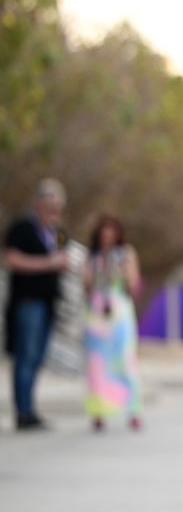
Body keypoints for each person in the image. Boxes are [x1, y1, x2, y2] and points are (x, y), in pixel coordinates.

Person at [4, 178, 69, 431]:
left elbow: (63, 257)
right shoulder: (22, 228)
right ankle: (23, 411)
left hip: (49, 302)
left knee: (38, 356)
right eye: (49, 204)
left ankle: (30, 408)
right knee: (26, 356)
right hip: (28, 302)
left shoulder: (58, 232)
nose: (53, 210)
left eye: (57, 206)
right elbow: (13, 259)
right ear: (39, 203)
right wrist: (48, 263)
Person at [82, 215, 144, 432]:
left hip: (119, 308)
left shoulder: (125, 253)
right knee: (98, 362)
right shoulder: (92, 256)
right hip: (98, 309)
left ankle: (133, 409)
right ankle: (99, 409)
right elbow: (87, 282)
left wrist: (120, 269)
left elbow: (133, 281)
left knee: (125, 359)